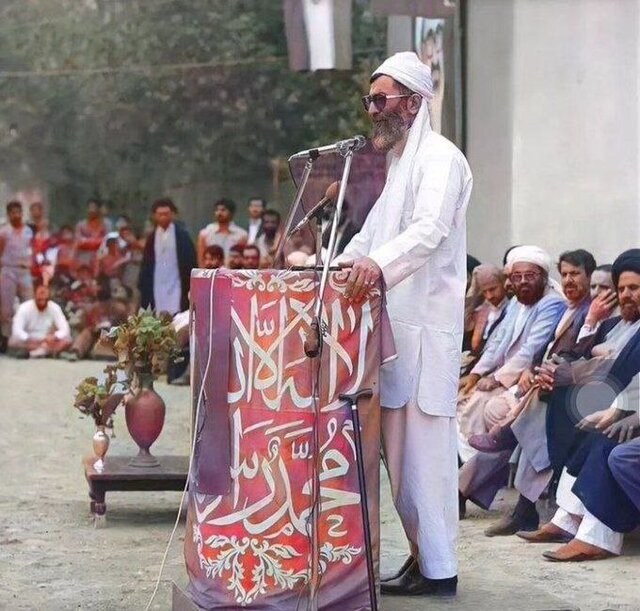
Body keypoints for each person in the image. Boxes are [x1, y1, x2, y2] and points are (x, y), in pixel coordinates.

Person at [335, 52, 472, 596]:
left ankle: (440, 571)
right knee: (401, 466)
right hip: (394, 337)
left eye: (380, 100)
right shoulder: (400, 166)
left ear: (412, 103)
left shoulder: (440, 159)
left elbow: (429, 230)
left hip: (425, 334)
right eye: (370, 100)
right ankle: (420, 558)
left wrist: (375, 267)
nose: (372, 111)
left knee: (426, 465)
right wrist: (335, 265)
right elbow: (370, 237)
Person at [460, 249, 596, 534]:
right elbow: (534, 351)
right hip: (545, 384)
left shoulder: (582, 310)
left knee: (521, 419)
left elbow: (586, 357)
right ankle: (508, 501)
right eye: (566, 274)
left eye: (577, 275)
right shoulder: (570, 308)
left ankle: (476, 489)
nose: (569, 281)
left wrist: (535, 372)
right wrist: (528, 371)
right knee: (509, 414)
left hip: (579, 392)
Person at [457, 246, 566, 463]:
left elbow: (531, 351)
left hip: (521, 378)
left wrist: (495, 378)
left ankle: (471, 470)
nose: (523, 281)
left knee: (472, 407)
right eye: (517, 277)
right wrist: (477, 373)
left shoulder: (551, 303)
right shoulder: (517, 302)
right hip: (501, 375)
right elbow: (498, 342)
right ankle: (466, 469)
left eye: (530, 276)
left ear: (544, 277)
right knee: (459, 402)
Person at [139, 199, 196, 315]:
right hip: (157, 282)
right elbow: (146, 264)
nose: (163, 217)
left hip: (176, 281)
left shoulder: (182, 236)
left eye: (166, 214)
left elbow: (190, 260)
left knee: (177, 312)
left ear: (173, 214)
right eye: (160, 214)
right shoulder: (151, 238)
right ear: (154, 216)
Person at [0, 201, 34, 351]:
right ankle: (6, 339)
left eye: (18, 212)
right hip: (9, 270)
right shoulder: (4, 232)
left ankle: (28, 338)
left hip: (25, 270)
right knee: (6, 307)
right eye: (13, 212)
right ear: (9, 214)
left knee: (28, 303)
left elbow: (33, 249)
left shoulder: (28, 231)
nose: (16, 215)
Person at [8, 282, 71, 358]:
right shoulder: (24, 308)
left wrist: (55, 336)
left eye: (45, 299)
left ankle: (33, 354)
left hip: (48, 340)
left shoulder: (54, 307)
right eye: (40, 299)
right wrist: (28, 338)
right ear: (34, 296)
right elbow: (17, 330)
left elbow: (64, 329)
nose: (42, 302)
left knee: (67, 339)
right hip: (29, 340)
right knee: (14, 340)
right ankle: (47, 352)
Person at [197, 198, 248, 265]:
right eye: (217, 210)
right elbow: (201, 258)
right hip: (211, 272)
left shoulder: (241, 235)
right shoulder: (205, 233)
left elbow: (242, 258)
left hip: (232, 273)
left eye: (223, 210)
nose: (219, 213)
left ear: (231, 213)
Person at [75, 199, 108, 267]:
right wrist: (96, 241)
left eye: (94, 208)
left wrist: (88, 241)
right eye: (89, 208)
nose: (91, 210)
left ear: (98, 209)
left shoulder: (106, 224)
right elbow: (78, 241)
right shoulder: (81, 225)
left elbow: (107, 240)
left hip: (101, 255)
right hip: (84, 256)